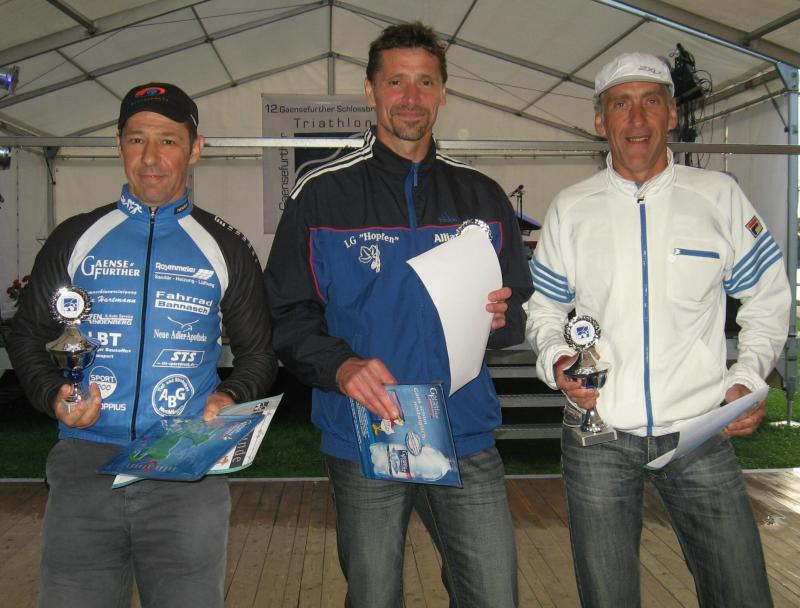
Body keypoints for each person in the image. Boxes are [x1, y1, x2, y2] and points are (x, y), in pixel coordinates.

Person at [265, 22, 531, 608]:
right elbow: (286, 313)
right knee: (375, 596)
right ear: (370, 90)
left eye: (425, 82)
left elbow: (515, 311)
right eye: (396, 82)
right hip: (366, 433)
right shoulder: (321, 194)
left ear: (443, 92)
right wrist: (340, 366)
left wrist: (500, 317)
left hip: (463, 431)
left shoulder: (483, 196)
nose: (411, 97)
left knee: (493, 594)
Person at [526, 52, 791, 607]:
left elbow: (768, 297)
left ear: (672, 114)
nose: (637, 118)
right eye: (620, 104)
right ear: (600, 119)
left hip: (700, 431)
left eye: (651, 101)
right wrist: (557, 359)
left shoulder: (718, 196)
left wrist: (746, 378)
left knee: (742, 593)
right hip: (598, 436)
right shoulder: (571, 209)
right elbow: (544, 309)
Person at [8, 82, 277, 608]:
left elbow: (259, 354)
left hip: (185, 464)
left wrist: (229, 397)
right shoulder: (76, 236)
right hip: (85, 460)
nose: (151, 158)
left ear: (194, 149)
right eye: (136, 140)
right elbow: (28, 335)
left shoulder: (226, 246)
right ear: (119, 145)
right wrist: (53, 395)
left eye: (168, 141)